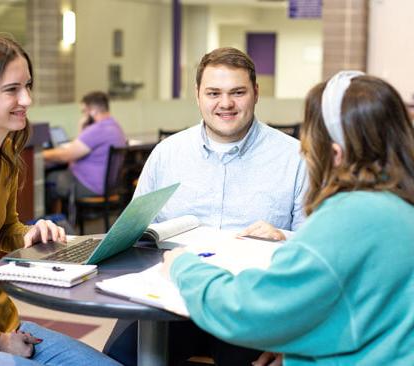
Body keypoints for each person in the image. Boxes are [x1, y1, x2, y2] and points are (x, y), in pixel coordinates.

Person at [162, 71, 414, 365]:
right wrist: (296, 346)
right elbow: (367, 306)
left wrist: (184, 266)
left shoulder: (348, 218)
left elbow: (249, 311)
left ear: (334, 153)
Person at [104, 47, 308, 365]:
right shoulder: (166, 155)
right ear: (197, 95)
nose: (225, 104)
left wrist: (284, 237)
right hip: (172, 295)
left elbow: (318, 252)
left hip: (249, 301)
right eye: (213, 92)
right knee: (117, 359)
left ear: (256, 92)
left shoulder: (295, 158)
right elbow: (131, 234)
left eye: (237, 92)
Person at [0, 29, 121, 365]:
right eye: (13, 90)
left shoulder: (5, 154)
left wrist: (28, 233)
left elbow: (4, 229)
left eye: (28, 86)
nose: (27, 100)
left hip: (0, 322)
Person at [43, 91, 126, 214]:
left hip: (89, 186)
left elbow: (66, 155)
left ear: (92, 111)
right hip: (108, 186)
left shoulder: (97, 130)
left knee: (51, 178)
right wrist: (82, 128)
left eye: (84, 111)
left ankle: (54, 225)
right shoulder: (115, 127)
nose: (83, 115)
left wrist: (41, 155)